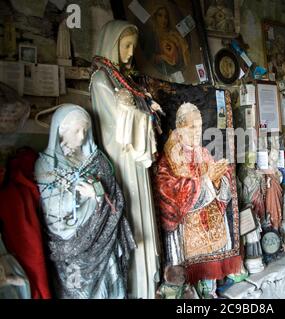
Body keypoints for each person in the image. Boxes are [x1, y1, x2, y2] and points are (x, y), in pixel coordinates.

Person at [90, 20, 162, 299]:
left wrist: (145, 109)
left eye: (133, 46)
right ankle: (136, 287)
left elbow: (134, 111)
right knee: (133, 215)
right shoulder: (101, 79)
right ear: (112, 44)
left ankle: (149, 280)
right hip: (122, 158)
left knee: (144, 214)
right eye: (126, 45)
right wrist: (143, 115)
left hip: (134, 156)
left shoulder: (122, 79)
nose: (131, 52)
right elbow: (115, 122)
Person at [35, 104, 135, 298]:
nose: (82, 136)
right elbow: (52, 209)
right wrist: (76, 195)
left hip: (103, 240)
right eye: (77, 130)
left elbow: (116, 198)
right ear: (60, 130)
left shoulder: (97, 160)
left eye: (85, 131)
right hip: (71, 246)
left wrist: (97, 195)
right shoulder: (46, 164)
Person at [154, 103, 241, 295]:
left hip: (211, 227)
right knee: (189, 283)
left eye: (199, 127)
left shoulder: (202, 153)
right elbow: (169, 191)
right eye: (192, 127)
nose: (197, 132)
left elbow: (218, 184)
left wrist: (218, 181)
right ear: (180, 128)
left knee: (209, 284)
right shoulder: (169, 156)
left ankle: (210, 290)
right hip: (188, 229)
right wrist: (207, 181)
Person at [148, 6, 190, 75]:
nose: (163, 19)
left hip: (176, 71)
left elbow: (184, 56)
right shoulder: (152, 36)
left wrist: (179, 43)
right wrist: (162, 57)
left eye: (166, 17)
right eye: (160, 15)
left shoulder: (174, 35)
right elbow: (149, 57)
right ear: (155, 17)